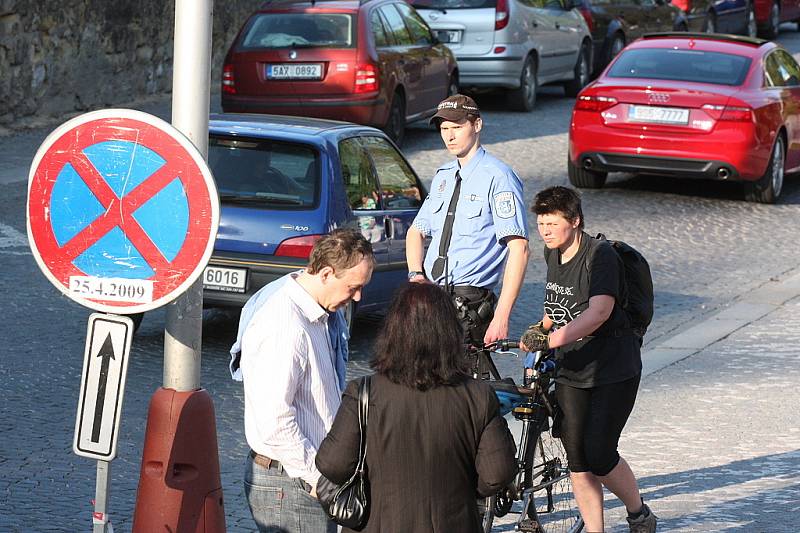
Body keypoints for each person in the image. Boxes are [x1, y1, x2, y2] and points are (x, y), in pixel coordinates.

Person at [315, 283, 517, 533]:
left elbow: (332, 464)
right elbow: (498, 473)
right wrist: (460, 489)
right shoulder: (478, 395)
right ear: (451, 334)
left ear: (391, 333)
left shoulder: (363, 393)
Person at [519, 186, 657, 533]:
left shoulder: (600, 256)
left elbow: (598, 312)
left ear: (575, 220)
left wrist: (549, 340)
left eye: (552, 223)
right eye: (541, 224)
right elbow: (558, 305)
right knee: (578, 463)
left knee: (599, 453)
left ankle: (638, 512)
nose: (545, 231)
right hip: (572, 367)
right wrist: (539, 328)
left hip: (613, 367)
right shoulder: (554, 254)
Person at [239, 228, 375, 533]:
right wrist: (318, 479)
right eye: (353, 287)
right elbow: (275, 421)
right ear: (326, 273)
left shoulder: (317, 313)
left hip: (299, 480)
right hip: (291, 483)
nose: (357, 297)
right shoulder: (285, 325)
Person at [406, 94, 529, 352]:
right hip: (432, 297)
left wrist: (502, 316)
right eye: (444, 129)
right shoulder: (443, 177)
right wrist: (416, 275)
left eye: (457, 127)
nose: (449, 136)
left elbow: (519, 249)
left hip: (469, 302)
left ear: (477, 125)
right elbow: (416, 231)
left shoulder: (499, 177)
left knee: (460, 387)